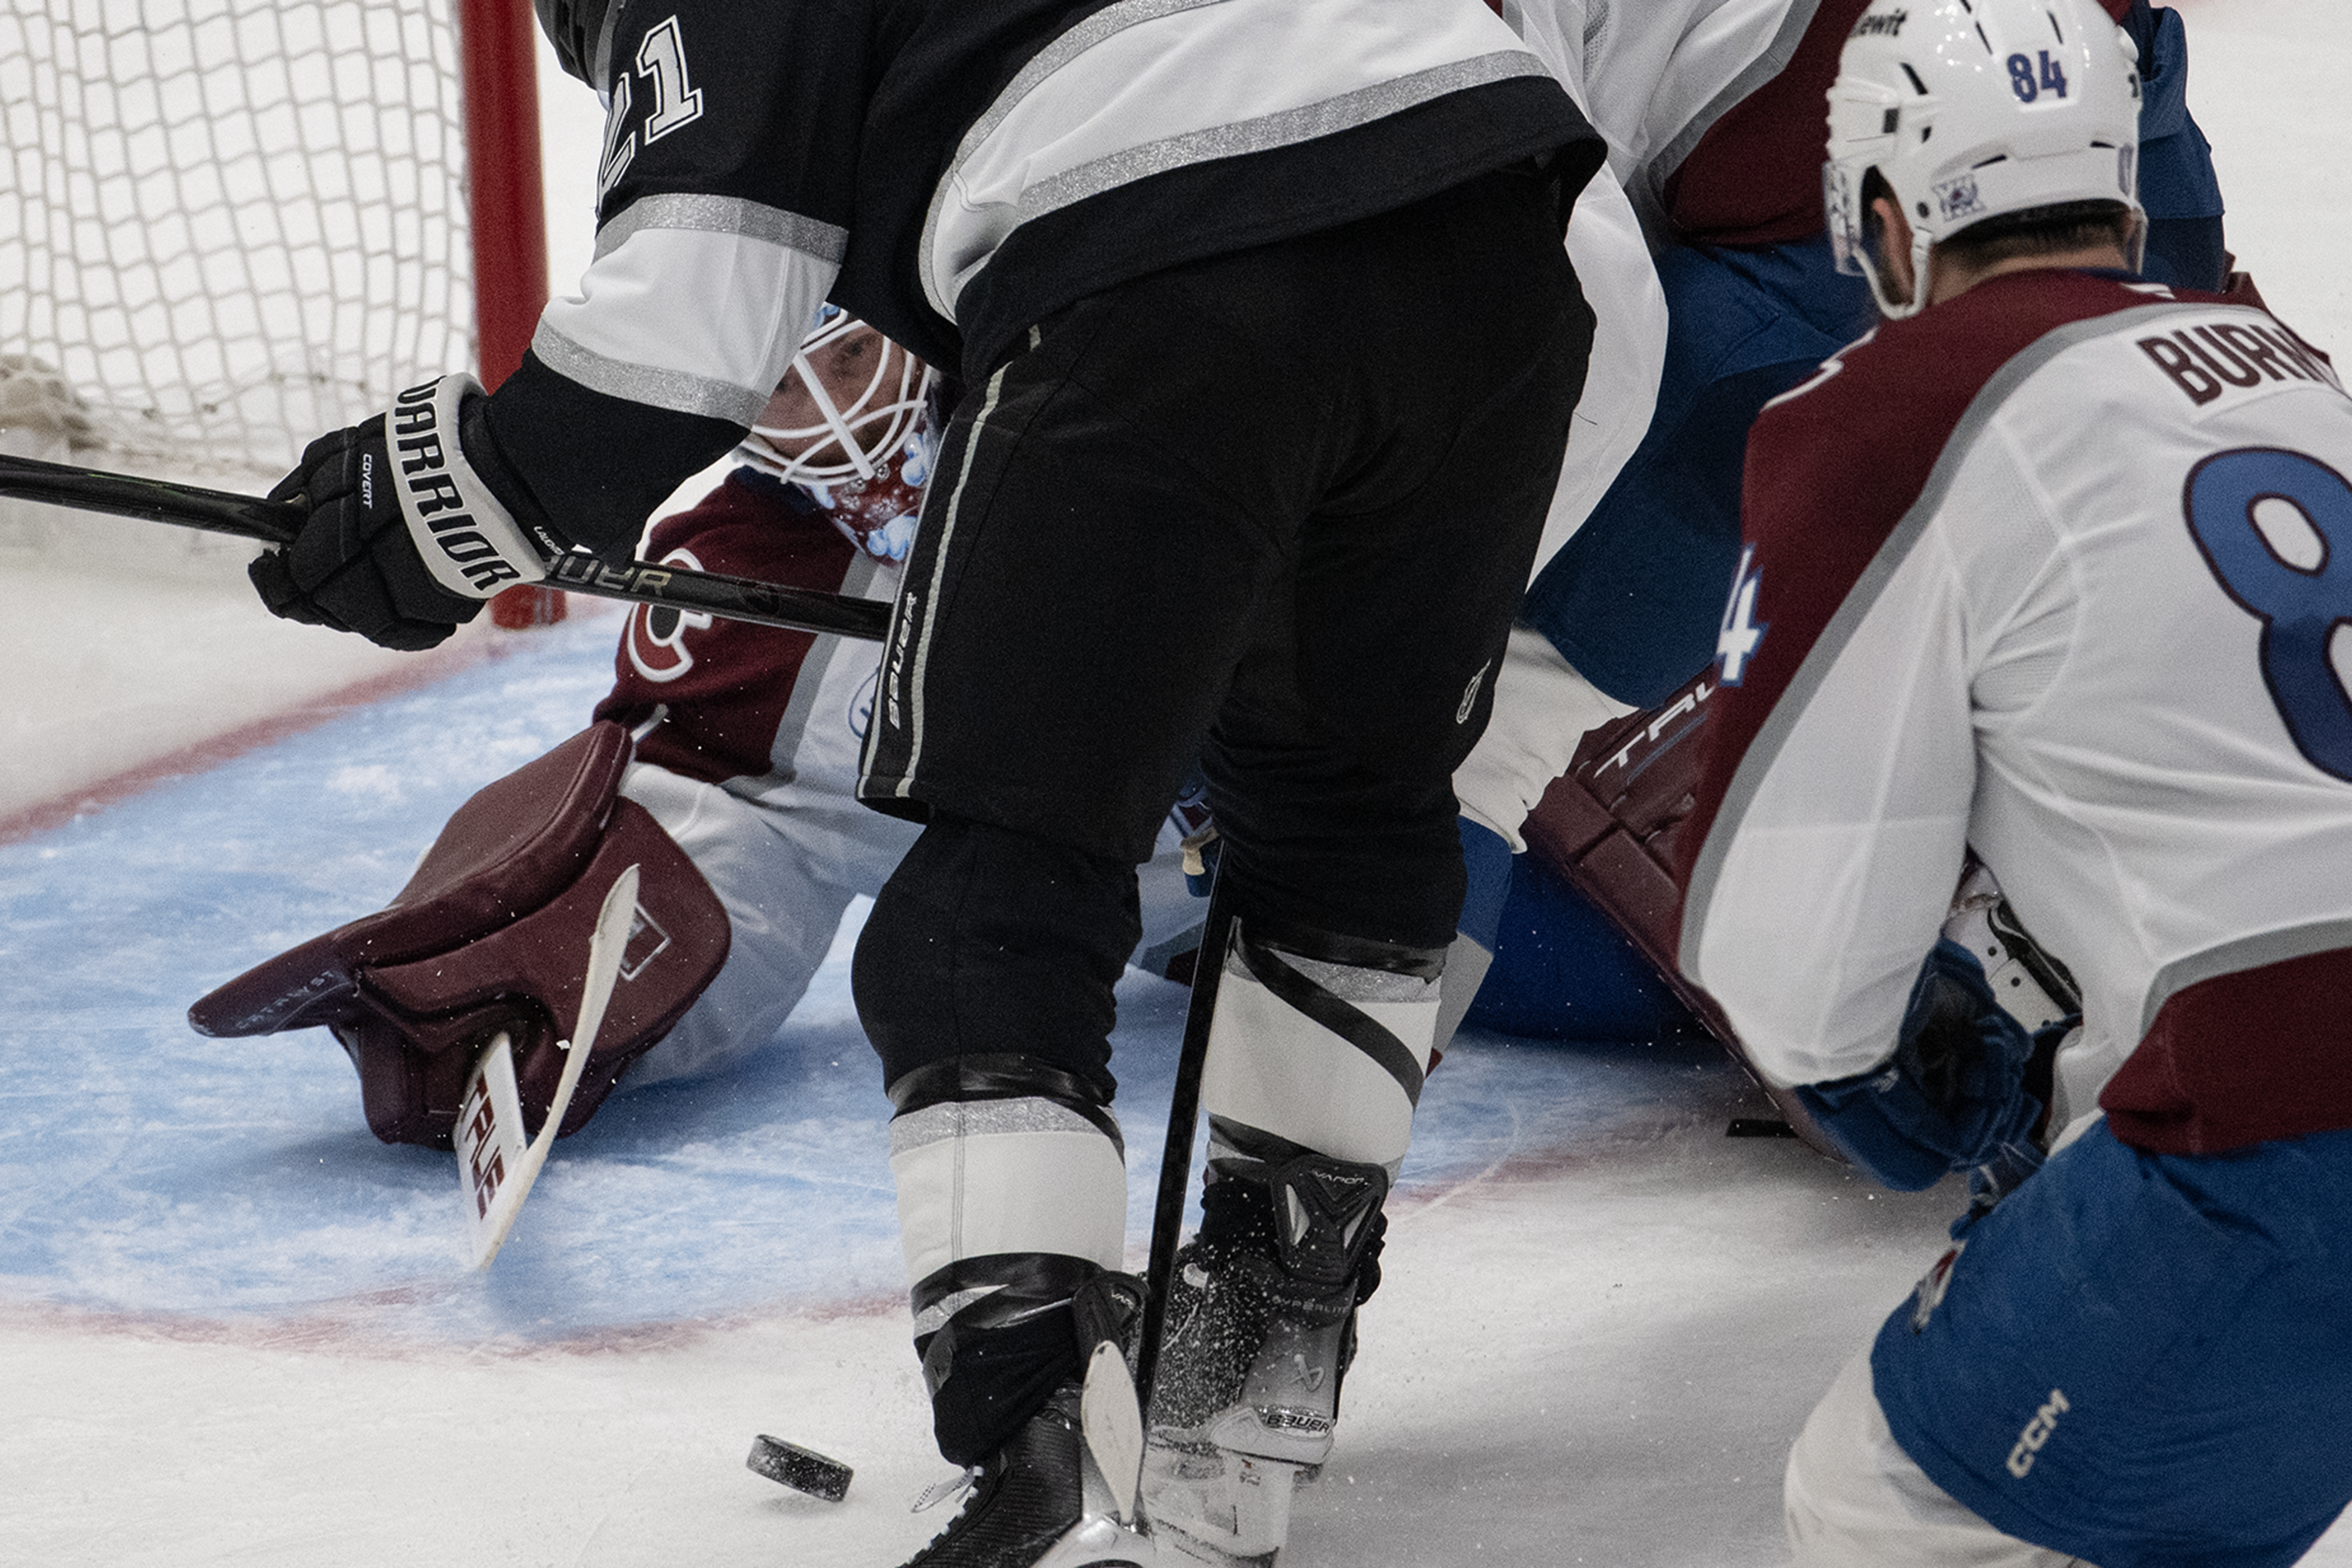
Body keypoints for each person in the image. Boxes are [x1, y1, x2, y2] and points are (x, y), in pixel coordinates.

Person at [239, 3, 1609, 1564]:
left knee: (989, 906)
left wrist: (418, 500)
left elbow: (669, 349)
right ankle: (1259, 1364)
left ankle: (1045, 1443)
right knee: (1342, 815)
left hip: (1166, 249)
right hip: (1511, 218)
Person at [1676, 1, 2352, 1562]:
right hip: (2282, 1088)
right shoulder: (2301, 379)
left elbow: (1782, 934)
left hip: (2292, 1126)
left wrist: (1878, 1073)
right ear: (2124, 197)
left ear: (1891, 223)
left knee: (1897, 1502)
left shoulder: (1887, 412)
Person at [1441, 0, 2236, 1059]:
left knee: (1450, 736)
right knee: (2102, 622)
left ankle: (1306, 1179)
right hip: (2133, 198)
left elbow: (1555, 310)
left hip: (1809, 284)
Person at [192, 317, 1210, 1143]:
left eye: (851, 356)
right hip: (1056, 905)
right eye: (782, 389)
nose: (838, 416)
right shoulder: (734, 577)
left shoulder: (1093, 414)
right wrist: (583, 949)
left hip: (1248, 878)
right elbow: (713, 811)